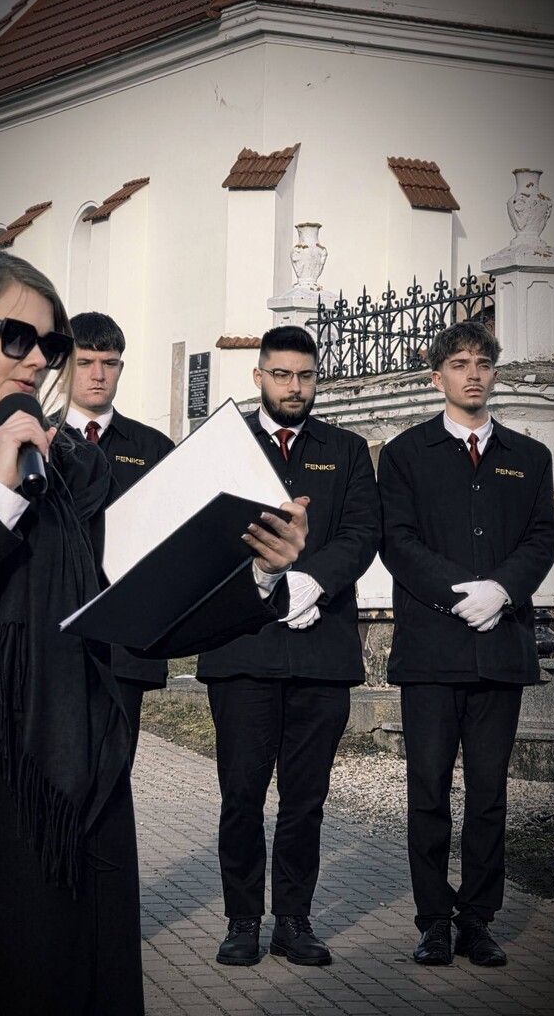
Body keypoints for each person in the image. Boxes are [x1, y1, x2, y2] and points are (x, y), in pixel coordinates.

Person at [0, 251, 309, 1015]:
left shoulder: (74, 466)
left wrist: (259, 572)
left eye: (51, 344)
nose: (37, 359)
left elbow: (139, 610)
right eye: (15, 336)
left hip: (79, 774)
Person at [378, 320, 554, 968]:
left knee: (488, 795)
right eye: (459, 364)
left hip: (500, 650)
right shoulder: (405, 454)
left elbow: (543, 535)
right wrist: (460, 594)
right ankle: (433, 921)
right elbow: (397, 540)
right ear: (438, 377)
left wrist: (503, 590)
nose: (473, 374)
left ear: (494, 373)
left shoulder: (528, 456)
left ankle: (477, 919)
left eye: (483, 363)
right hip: (432, 651)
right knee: (428, 791)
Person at [197, 325, 381, 967]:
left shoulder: (347, 450)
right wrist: (267, 582)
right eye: (281, 375)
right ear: (259, 377)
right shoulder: (221, 445)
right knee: (242, 796)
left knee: (305, 801)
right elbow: (200, 537)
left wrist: (311, 582)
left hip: (320, 653)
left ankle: (294, 921)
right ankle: (243, 920)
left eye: (305, 375)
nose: (294, 387)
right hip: (241, 647)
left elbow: (362, 533)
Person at [65, 310, 175, 763]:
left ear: (121, 368)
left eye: (108, 363)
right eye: (85, 362)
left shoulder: (154, 448)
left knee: (114, 773)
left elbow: (175, 539)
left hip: (126, 642)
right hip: (55, 636)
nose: (98, 375)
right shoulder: (35, 440)